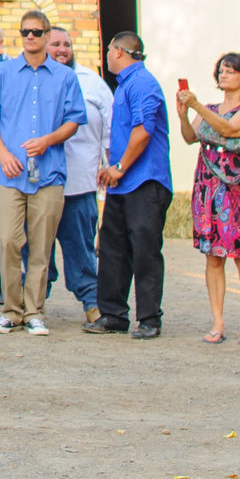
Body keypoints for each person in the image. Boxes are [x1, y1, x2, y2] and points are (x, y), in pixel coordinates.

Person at [0, 9, 86, 337]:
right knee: (5, 238)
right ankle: (11, 310)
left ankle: (34, 310)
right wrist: (2, 155)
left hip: (49, 172)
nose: (31, 37)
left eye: (37, 32)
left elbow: (74, 119)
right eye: (25, 31)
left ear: (47, 35)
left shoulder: (65, 76)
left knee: (41, 245)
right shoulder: (3, 73)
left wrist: (49, 140)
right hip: (12, 172)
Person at [180, 53, 240, 345]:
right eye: (221, 71)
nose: (224, 75)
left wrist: (196, 106)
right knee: (213, 256)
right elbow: (191, 136)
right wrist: (183, 113)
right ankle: (217, 320)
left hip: (237, 189)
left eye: (231, 71)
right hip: (207, 185)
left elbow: (228, 129)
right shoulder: (210, 108)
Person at [92, 31, 172, 339]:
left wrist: (121, 167)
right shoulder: (126, 85)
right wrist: (113, 168)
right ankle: (113, 314)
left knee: (145, 251)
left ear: (120, 51)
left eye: (110, 50)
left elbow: (143, 132)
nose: (108, 56)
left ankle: (150, 318)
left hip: (145, 181)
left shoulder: (142, 83)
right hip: (122, 183)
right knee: (112, 248)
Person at [44, 27, 110, 327]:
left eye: (67, 44)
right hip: (38, 181)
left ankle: (93, 303)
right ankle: (29, 305)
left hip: (80, 182)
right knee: (34, 249)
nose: (62, 49)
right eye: (55, 44)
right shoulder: (29, 80)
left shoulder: (91, 82)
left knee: (81, 247)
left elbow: (111, 128)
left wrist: (112, 166)